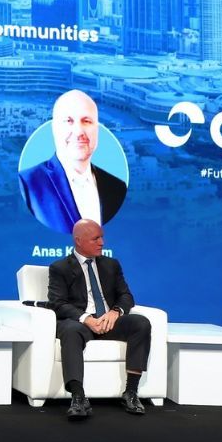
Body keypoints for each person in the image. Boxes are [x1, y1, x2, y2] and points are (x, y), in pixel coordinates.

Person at [47, 219, 151, 419]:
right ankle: (78, 397)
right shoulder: (60, 268)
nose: (102, 242)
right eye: (96, 238)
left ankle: (131, 392)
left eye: (102, 237)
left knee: (141, 323)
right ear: (78, 241)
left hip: (108, 321)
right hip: (80, 323)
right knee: (70, 331)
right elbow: (58, 303)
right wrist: (86, 318)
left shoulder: (111, 265)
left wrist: (115, 311)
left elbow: (126, 295)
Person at [19, 89, 127, 235]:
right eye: (68, 121)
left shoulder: (116, 187)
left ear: (97, 129)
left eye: (86, 121)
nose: (78, 131)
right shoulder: (28, 184)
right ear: (54, 129)